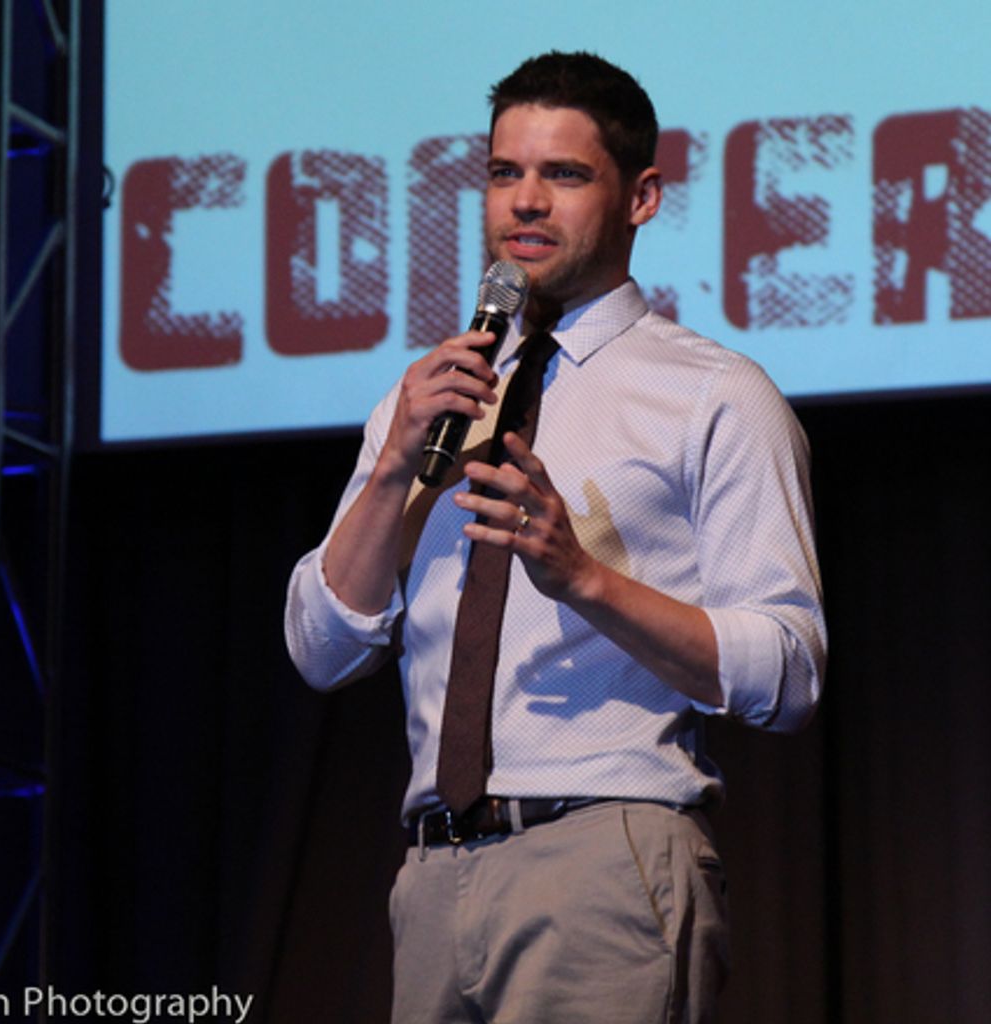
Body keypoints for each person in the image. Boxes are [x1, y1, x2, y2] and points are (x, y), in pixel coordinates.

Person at [283, 51, 826, 1023]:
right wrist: (390, 465)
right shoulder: (427, 398)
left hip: (603, 859)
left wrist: (581, 575)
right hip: (429, 875)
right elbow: (320, 649)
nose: (523, 204)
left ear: (640, 197)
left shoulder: (712, 395)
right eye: (503, 173)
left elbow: (787, 671)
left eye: (562, 175)